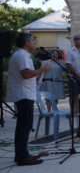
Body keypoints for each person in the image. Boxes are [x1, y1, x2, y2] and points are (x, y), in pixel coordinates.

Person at [7, 32, 52, 166]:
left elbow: (27, 75)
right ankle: (21, 156)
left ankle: (23, 153)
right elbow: (26, 74)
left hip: (25, 93)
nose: (34, 43)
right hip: (23, 94)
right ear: (26, 42)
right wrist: (43, 69)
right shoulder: (21, 55)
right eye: (33, 40)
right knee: (24, 126)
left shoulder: (23, 55)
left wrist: (37, 78)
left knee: (24, 125)